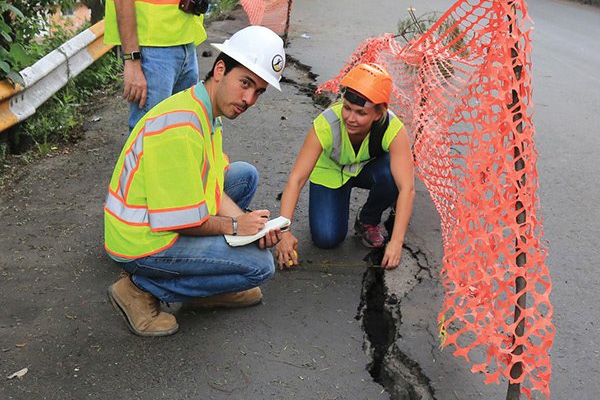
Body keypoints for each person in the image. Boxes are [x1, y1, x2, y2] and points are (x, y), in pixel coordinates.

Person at [104, 26, 287, 337]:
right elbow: (180, 221)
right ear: (219, 70)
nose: (249, 99)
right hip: (141, 240)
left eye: (258, 91)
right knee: (259, 266)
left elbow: (213, 188)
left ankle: (210, 283)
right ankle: (138, 289)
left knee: (243, 176)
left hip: (158, 216)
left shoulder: (205, 110)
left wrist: (247, 222)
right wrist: (234, 228)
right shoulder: (181, 125)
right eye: (245, 83)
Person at [275, 63, 415, 270]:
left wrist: (396, 243)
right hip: (331, 173)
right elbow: (296, 179)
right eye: (347, 108)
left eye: (361, 112)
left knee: (392, 175)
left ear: (378, 113)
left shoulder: (393, 128)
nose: (350, 118)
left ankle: (368, 219)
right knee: (327, 238)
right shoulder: (326, 124)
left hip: (368, 170)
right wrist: (283, 232)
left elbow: (407, 189)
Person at [104, 0, 207, 131]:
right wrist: (132, 60)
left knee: (181, 131)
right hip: (152, 47)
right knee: (148, 135)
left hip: (187, 39)